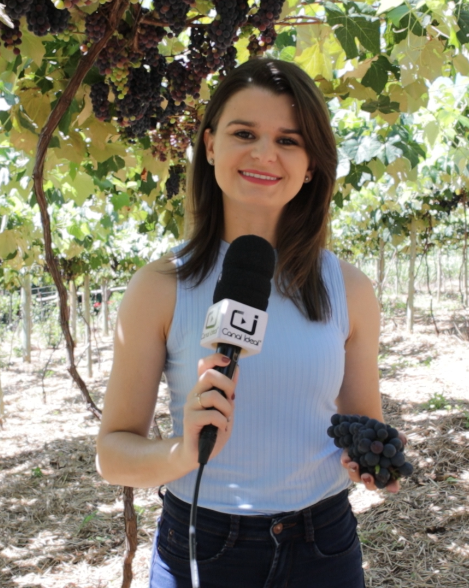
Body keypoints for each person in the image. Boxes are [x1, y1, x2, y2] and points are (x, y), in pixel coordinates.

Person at [95, 58, 399, 588]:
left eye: (288, 139)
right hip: (202, 545)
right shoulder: (160, 287)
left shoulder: (349, 290)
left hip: (322, 544)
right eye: (244, 133)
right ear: (210, 146)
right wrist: (181, 451)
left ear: (311, 165)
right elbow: (113, 454)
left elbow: (362, 426)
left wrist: (372, 460)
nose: (264, 154)